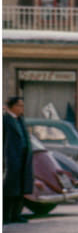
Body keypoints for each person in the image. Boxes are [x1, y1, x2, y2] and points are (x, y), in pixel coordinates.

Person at [3, 95, 33, 223]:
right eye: (19, 105)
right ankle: (5, 216)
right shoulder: (5, 120)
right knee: (8, 189)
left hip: (23, 159)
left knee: (20, 189)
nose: (22, 108)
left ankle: (16, 214)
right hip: (10, 159)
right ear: (12, 107)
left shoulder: (20, 120)